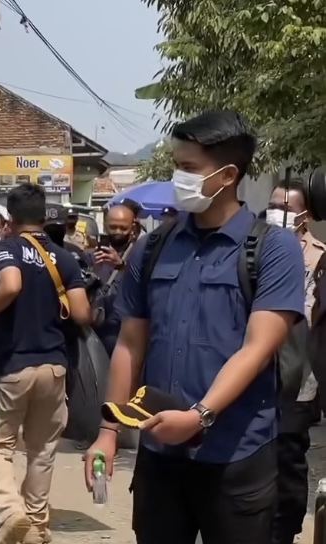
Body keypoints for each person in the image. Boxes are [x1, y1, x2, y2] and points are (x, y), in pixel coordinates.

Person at [85, 111, 305, 544]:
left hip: (238, 456)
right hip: (159, 455)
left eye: (188, 169)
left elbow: (257, 349)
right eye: (177, 165)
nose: (177, 178)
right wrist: (108, 430)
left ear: (226, 175)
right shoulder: (153, 248)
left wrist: (198, 417)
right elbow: (130, 343)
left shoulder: (273, 250)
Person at [0, 183, 91, 544]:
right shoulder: (65, 256)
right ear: (44, 217)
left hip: (12, 365)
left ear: (9, 219)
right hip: (54, 367)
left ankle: (11, 512)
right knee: (42, 451)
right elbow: (82, 313)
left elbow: (9, 286)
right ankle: (37, 527)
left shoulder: (5, 249)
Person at [264, 180, 325, 544]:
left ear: (305, 213)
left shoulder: (319, 256)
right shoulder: (254, 247)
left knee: (289, 453)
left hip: (300, 371)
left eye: (286, 208)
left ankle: (285, 528)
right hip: (257, 365)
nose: (278, 214)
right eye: (274, 206)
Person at [91, 202, 140, 357]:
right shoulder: (90, 255)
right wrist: (93, 270)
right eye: (113, 227)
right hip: (97, 330)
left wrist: (121, 265)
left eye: (123, 228)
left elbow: (145, 283)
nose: (118, 232)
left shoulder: (141, 253)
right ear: (106, 226)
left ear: (133, 228)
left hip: (128, 330)